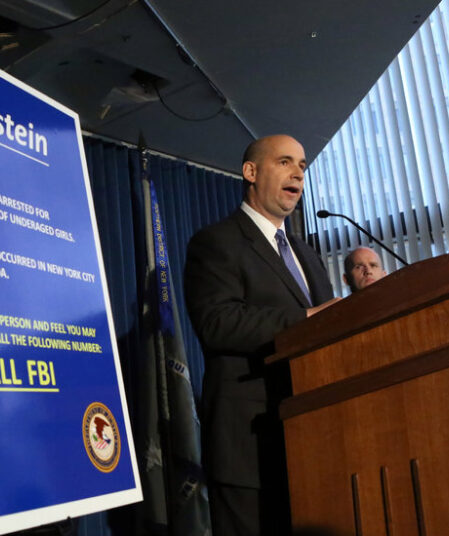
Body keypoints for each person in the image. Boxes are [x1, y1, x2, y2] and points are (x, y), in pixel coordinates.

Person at [183, 134, 339, 535]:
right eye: (285, 162)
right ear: (250, 172)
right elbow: (217, 323)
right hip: (249, 442)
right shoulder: (216, 242)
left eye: (302, 166)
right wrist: (305, 318)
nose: (298, 174)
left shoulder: (306, 254)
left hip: (315, 434)